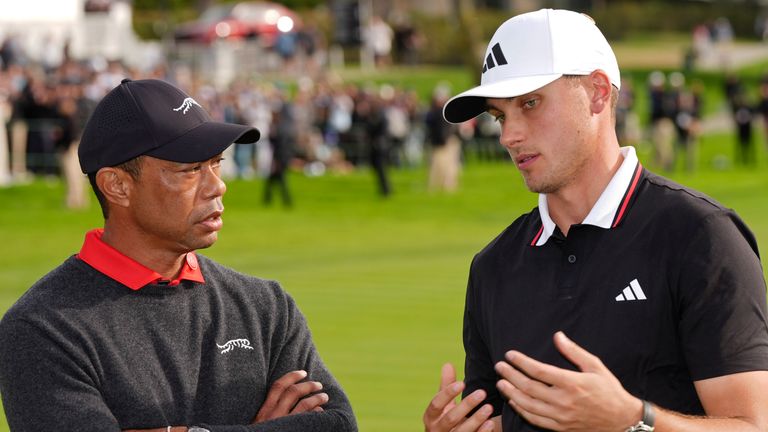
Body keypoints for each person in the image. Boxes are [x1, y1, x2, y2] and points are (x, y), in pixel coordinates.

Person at [423, 9, 768, 432]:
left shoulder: (701, 237)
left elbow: (752, 426)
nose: (509, 135)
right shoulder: (492, 267)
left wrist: (633, 421)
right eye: (500, 115)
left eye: (529, 104)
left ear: (598, 93)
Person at [0, 78, 357, 432]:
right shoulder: (41, 329)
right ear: (117, 185)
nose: (218, 185)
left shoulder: (266, 307)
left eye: (216, 163)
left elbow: (339, 425)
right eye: (189, 170)